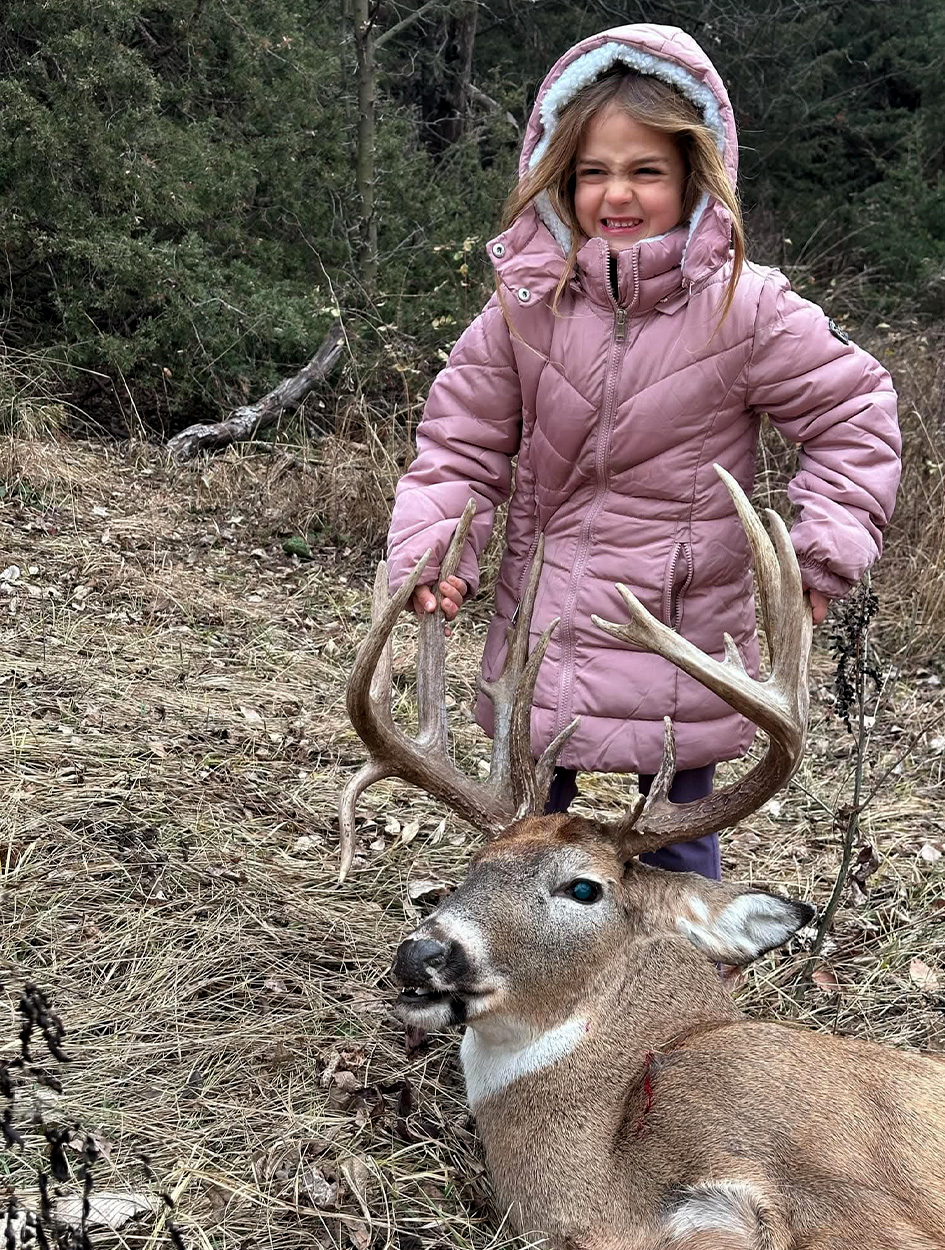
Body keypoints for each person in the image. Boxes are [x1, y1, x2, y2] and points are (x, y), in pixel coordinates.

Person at [385, 24, 901, 881]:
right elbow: (458, 441)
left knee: (672, 840)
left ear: (695, 174)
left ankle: (682, 1002)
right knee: (522, 837)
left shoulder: (748, 307)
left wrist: (821, 553)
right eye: (592, 171)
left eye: (644, 171)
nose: (615, 195)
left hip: (677, 635)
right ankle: (515, 990)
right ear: (557, 175)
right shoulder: (526, 304)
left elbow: (854, 413)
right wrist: (435, 550)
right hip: (542, 630)